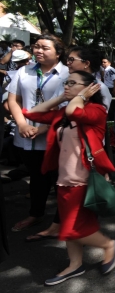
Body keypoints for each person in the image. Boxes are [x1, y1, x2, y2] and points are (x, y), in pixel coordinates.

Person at [23, 71, 115, 285]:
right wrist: (61, 97)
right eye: (66, 82)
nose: (66, 86)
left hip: (85, 180)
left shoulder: (96, 110)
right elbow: (32, 113)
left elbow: (76, 111)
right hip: (64, 179)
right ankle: (75, 265)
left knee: (70, 229)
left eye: (72, 83)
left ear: (89, 88)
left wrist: (81, 98)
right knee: (69, 225)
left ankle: (109, 245)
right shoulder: (63, 114)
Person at [24, 46, 113, 242]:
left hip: (86, 157)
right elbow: (47, 112)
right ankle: (71, 242)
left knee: (82, 213)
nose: (67, 64)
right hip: (66, 154)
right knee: (69, 211)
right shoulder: (67, 88)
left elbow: (76, 114)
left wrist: (79, 98)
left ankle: (102, 244)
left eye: (72, 60)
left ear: (86, 64)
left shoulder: (99, 92)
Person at [7, 34, 69, 232]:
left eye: (45, 48)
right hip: (27, 137)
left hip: (55, 137)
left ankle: (61, 222)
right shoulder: (23, 71)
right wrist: (22, 125)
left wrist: (44, 128)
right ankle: (36, 214)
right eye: (36, 47)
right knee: (36, 178)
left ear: (58, 53)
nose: (38, 51)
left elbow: (69, 108)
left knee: (62, 180)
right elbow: (13, 100)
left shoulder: (68, 74)